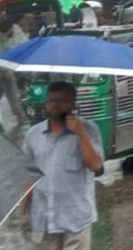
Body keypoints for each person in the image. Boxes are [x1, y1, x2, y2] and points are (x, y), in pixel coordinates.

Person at [21, 81, 104, 250]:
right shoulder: (33, 135)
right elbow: (30, 177)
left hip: (76, 219)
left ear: (73, 103)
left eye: (62, 100)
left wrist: (81, 133)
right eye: (52, 100)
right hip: (43, 220)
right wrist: (23, 210)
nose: (55, 105)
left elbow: (95, 165)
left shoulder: (89, 129)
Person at [0, 14, 28, 130]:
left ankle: (20, 116)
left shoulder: (16, 30)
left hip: (9, 70)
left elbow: (24, 45)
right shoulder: (2, 36)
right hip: (3, 70)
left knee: (12, 94)